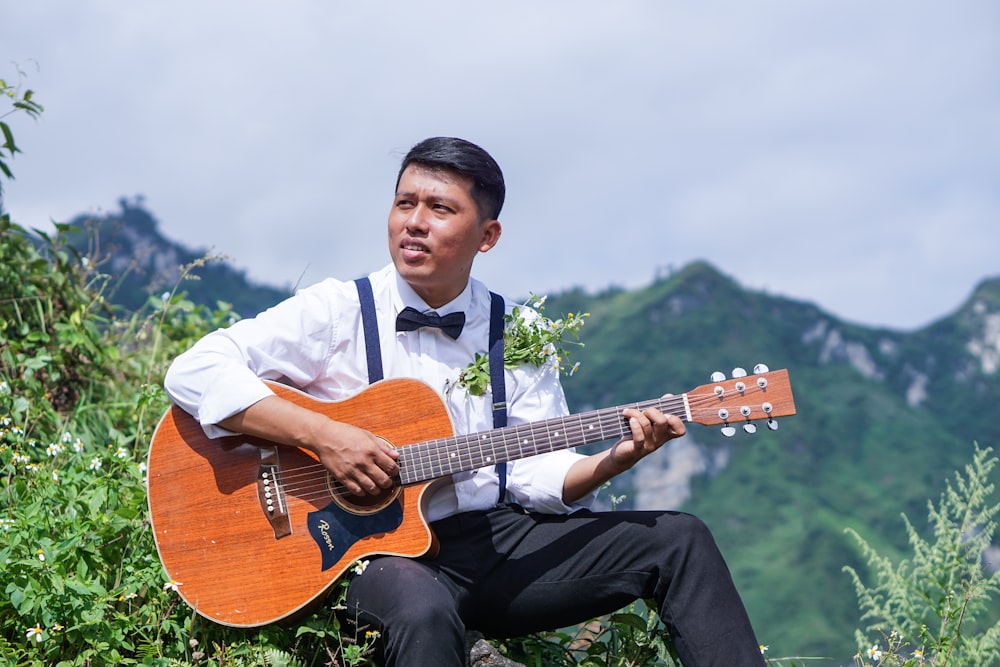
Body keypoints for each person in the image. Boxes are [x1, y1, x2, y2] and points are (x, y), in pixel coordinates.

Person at [163, 136, 765, 666]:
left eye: (440, 209)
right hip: (364, 551)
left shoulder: (517, 333)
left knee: (679, 539)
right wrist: (324, 436)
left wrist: (616, 459)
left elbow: (537, 475)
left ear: (488, 236)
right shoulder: (337, 310)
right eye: (405, 204)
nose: (414, 223)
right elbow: (196, 369)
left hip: (494, 545)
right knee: (422, 610)